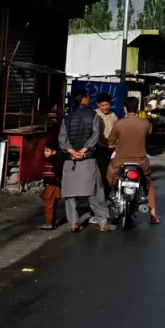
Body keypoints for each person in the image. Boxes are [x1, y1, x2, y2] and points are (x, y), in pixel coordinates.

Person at [58, 90, 116, 232]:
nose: (89, 99)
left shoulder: (67, 118)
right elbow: (95, 135)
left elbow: (62, 139)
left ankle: (73, 223)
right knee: (96, 190)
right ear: (84, 99)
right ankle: (103, 222)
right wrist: (84, 150)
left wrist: (73, 152)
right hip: (88, 158)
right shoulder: (93, 115)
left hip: (70, 160)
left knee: (70, 193)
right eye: (88, 97)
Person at [107, 96, 160, 223]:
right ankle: (153, 214)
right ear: (137, 108)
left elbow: (110, 143)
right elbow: (149, 132)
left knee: (111, 176)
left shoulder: (119, 123)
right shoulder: (144, 123)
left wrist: (115, 145)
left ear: (125, 108)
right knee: (147, 182)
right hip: (141, 161)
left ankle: (114, 197)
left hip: (120, 161)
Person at [92, 92, 117, 196]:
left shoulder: (113, 116)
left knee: (111, 171)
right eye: (102, 105)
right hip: (99, 148)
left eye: (107, 104)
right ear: (98, 104)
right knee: (101, 172)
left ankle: (109, 191)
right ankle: (102, 194)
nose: (105, 107)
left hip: (111, 148)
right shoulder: (94, 115)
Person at [39, 139, 62, 230]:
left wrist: (57, 180)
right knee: (51, 204)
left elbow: (58, 172)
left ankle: (49, 223)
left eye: (47, 151)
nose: (45, 152)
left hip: (52, 185)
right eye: (45, 150)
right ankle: (51, 222)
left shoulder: (53, 160)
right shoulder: (53, 160)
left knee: (49, 204)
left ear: (54, 152)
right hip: (53, 185)